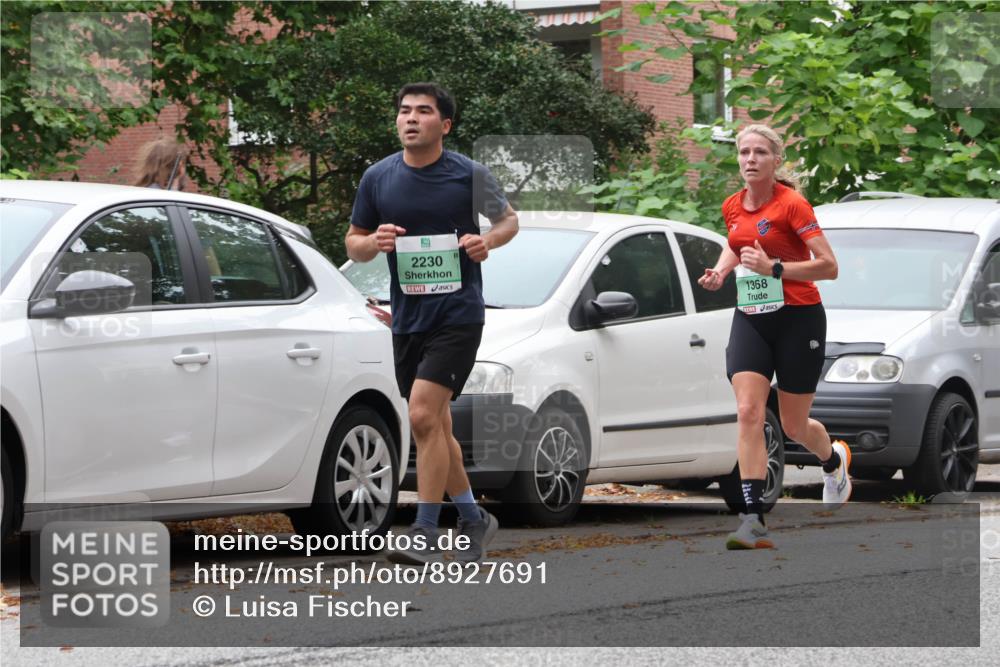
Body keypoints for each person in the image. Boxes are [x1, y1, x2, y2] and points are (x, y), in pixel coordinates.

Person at [345, 83, 519, 564]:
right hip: (408, 318)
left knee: (421, 415)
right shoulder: (378, 177)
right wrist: (373, 242)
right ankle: (473, 518)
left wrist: (487, 242)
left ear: (444, 125)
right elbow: (354, 241)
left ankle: (424, 531)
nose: (411, 118)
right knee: (437, 426)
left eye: (423, 111)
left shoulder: (468, 174)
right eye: (404, 111)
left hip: (457, 314)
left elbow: (508, 221)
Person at [697, 124, 849, 550]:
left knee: (794, 425)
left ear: (775, 160)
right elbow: (738, 243)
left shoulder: (792, 205)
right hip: (752, 316)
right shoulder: (732, 205)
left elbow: (829, 266)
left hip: (799, 318)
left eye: (760, 152)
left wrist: (775, 268)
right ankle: (753, 517)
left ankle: (832, 460)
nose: (750, 159)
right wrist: (721, 271)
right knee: (749, 411)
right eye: (744, 151)